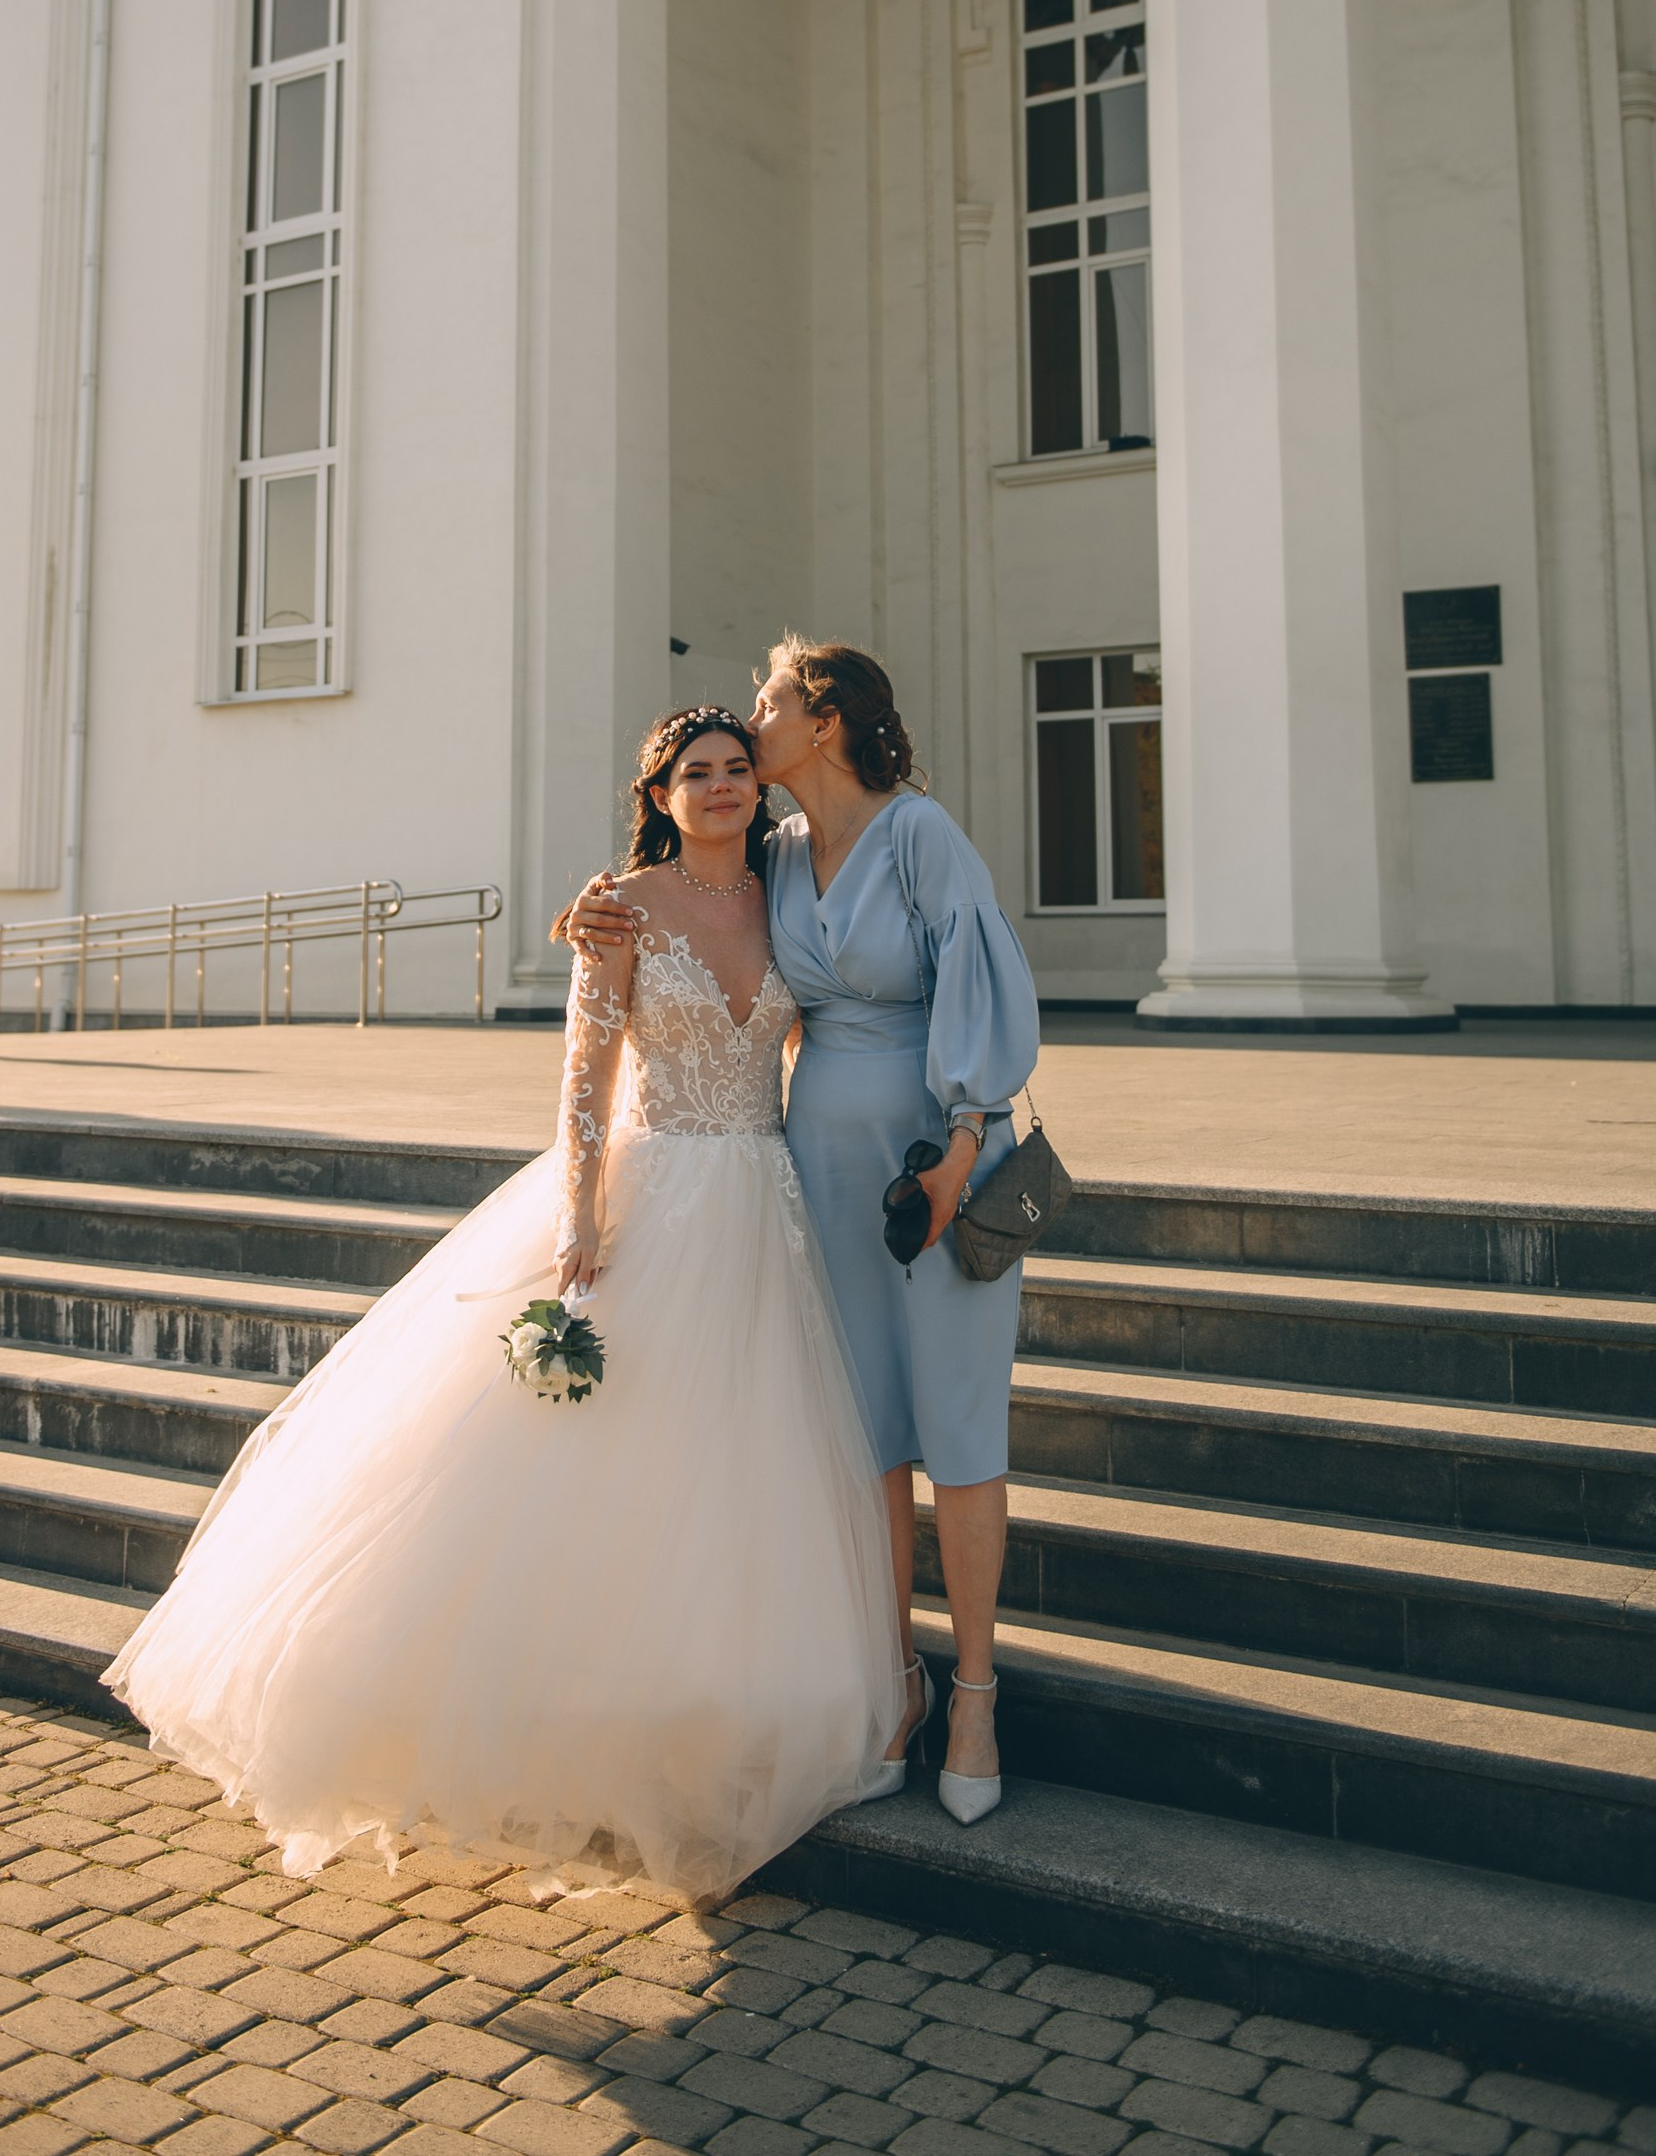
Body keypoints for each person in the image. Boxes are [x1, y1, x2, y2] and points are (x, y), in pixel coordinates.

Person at [104, 704, 903, 1903]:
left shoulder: (792, 889)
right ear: (660, 792)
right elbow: (584, 1075)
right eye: (700, 773)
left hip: (766, 1208)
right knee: (610, 1454)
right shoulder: (621, 908)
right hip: (655, 1192)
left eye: (741, 767)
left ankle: (733, 1702)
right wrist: (582, 1211)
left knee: (738, 1465)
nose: (728, 785)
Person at [565, 639, 1038, 1825]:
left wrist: (961, 1155)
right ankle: (893, 1683)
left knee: (960, 1429)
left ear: (819, 723)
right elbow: (687, 891)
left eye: (769, 704)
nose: (751, 724)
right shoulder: (771, 853)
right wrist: (595, 912)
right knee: (866, 1429)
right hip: (811, 1171)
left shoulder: (920, 833)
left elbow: (982, 984)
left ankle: (974, 1692)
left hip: (932, 1163)